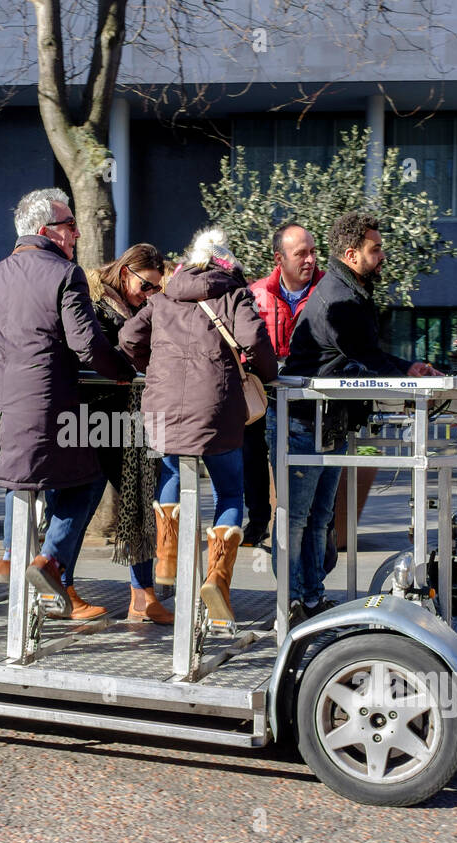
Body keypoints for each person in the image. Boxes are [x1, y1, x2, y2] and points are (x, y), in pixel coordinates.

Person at [0, 187, 135, 620]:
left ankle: (23, 565)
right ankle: (50, 561)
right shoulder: (63, 274)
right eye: (69, 224)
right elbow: (86, 344)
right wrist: (125, 370)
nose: (75, 233)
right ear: (46, 231)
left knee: (33, 483)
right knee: (87, 479)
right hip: (46, 411)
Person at [277, 210, 440, 624]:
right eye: (375, 248)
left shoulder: (349, 290)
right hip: (304, 423)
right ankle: (291, 605)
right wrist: (406, 373)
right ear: (352, 254)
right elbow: (365, 357)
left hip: (326, 423)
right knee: (298, 521)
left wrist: (407, 370)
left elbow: (365, 358)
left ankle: (310, 602)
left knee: (317, 520)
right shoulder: (340, 298)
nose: (382, 255)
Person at [120, 227, 277, 625]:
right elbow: (253, 340)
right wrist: (268, 373)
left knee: (170, 469)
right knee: (229, 492)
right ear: (227, 264)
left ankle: (168, 560)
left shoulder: (164, 296)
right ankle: (217, 582)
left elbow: (127, 338)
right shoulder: (234, 293)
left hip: (163, 409)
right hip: (216, 411)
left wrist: (152, 369)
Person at [82, 242, 172, 624]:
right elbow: (102, 354)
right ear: (125, 273)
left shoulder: (141, 305)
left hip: (133, 415)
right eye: (145, 285)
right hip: (94, 415)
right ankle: (58, 580)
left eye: (156, 287)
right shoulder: (95, 301)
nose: (150, 293)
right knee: (76, 503)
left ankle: (142, 592)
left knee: (138, 499)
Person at [244, 222, 324, 546]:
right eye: (301, 253)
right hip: (261, 390)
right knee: (251, 453)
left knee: (301, 462)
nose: (310, 259)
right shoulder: (255, 293)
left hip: (309, 395)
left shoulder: (326, 292)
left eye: (313, 252)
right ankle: (258, 520)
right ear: (280, 258)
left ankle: (314, 527)